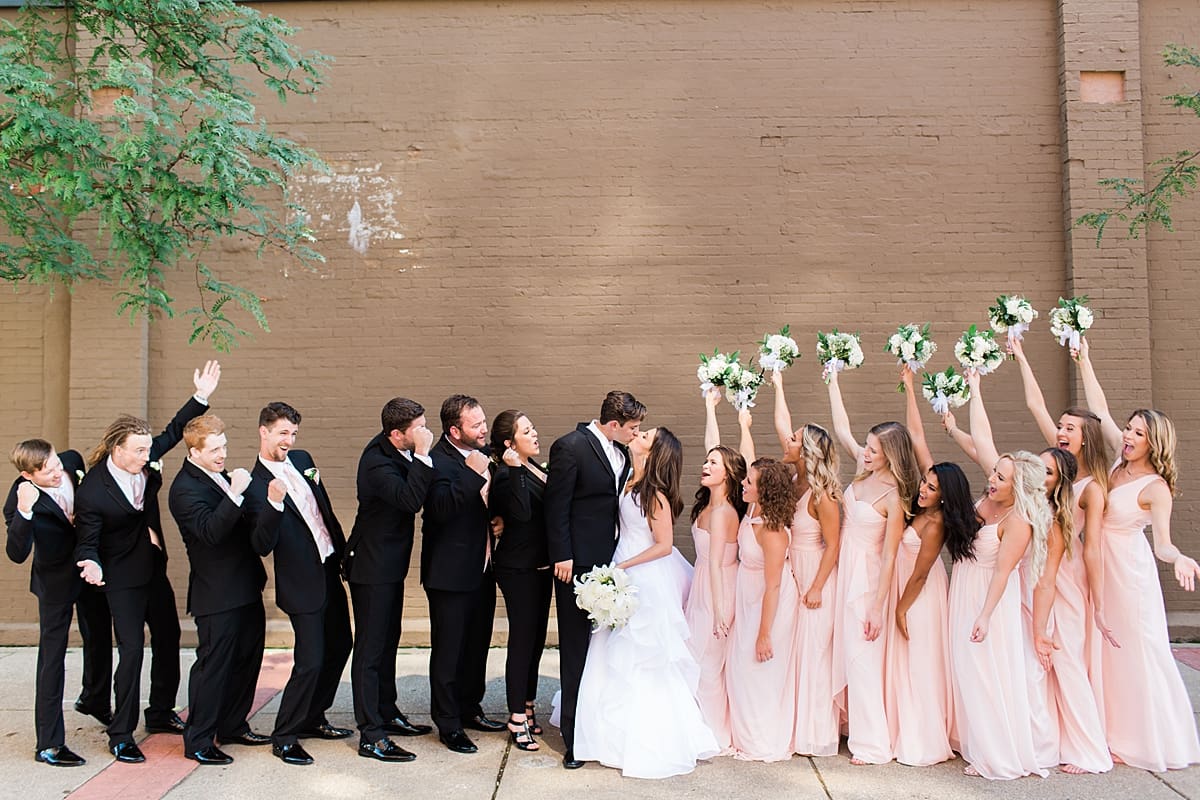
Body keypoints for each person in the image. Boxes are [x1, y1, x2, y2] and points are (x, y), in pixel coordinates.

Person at [74, 361, 221, 764]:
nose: (146, 455)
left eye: (146, 449)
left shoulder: (144, 457)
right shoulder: (92, 491)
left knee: (170, 636)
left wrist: (201, 396)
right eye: (138, 451)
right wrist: (90, 562)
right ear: (117, 449)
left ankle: (159, 712)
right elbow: (86, 540)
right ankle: (121, 733)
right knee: (133, 650)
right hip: (118, 575)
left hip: (152, 565)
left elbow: (174, 432)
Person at [1075, 338, 1200, 770]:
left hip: (1129, 573)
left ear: (1154, 442)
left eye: (1138, 433)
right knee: (1102, 650)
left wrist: (1178, 556)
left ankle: (1144, 739)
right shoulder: (1117, 463)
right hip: (1098, 563)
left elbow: (1162, 542)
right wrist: (1086, 359)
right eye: (1128, 429)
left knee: (1134, 651)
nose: (1127, 435)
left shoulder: (1156, 488)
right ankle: (1106, 732)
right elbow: (1101, 410)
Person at [572, 427, 720, 778]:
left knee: (641, 654)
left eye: (645, 435)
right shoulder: (625, 476)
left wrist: (620, 567)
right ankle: (600, 733)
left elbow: (664, 545)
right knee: (608, 648)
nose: (637, 434)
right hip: (620, 569)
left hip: (641, 575)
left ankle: (643, 736)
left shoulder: (654, 494)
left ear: (652, 453)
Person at [247, 402, 353, 766]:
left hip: (328, 568)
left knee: (341, 644)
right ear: (263, 431)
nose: (289, 440)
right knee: (310, 660)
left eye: (293, 433)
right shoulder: (256, 483)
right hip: (299, 582)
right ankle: (285, 735)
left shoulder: (303, 458)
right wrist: (274, 505)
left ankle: (312, 716)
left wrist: (343, 553)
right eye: (282, 433)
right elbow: (261, 545)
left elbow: (322, 509)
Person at [545, 390, 646, 770]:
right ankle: (574, 740)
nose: (637, 433)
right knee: (575, 650)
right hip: (576, 565)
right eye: (633, 427)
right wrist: (562, 555)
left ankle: (599, 726)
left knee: (602, 650)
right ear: (614, 423)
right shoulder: (570, 446)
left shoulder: (620, 453)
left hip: (611, 563)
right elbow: (557, 504)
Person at [826, 369, 919, 765]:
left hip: (866, 582)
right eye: (866, 446)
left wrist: (878, 606)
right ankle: (851, 728)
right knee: (846, 653)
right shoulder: (861, 476)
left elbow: (890, 555)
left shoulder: (894, 495)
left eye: (874, 449)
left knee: (863, 660)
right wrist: (831, 378)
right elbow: (842, 429)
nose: (865, 452)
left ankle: (872, 743)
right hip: (843, 571)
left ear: (890, 454)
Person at [167, 414, 269, 766]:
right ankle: (197, 739)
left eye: (224, 446)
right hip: (216, 593)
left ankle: (232, 725)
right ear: (193, 451)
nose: (222, 454)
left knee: (246, 660)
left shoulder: (221, 476)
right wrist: (237, 493)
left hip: (246, 584)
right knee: (213, 667)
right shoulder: (183, 489)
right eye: (214, 449)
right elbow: (210, 532)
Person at [949, 449, 1050, 779]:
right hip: (964, 588)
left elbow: (1003, 573)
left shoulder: (1018, 521)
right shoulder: (984, 501)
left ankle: (997, 754)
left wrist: (985, 615)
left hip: (988, 598)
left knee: (986, 675)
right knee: (966, 670)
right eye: (994, 472)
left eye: (1000, 478)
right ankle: (976, 744)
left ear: (1017, 486)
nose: (991, 480)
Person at [884, 367, 967, 766]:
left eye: (932, 488)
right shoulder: (924, 500)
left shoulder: (936, 522)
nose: (923, 488)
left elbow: (920, 572)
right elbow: (917, 437)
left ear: (944, 495)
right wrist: (912, 386)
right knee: (900, 660)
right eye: (924, 483)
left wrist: (900, 607)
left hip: (919, 594)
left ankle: (922, 737)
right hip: (904, 584)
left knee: (918, 660)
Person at [344, 398, 435, 763]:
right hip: (371, 568)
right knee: (369, 649)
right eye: (419, 429)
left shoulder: (395, 447)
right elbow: (410, 499)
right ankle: (371, 734)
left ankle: (387, 711)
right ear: (397, 434)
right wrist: (425, 454)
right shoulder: (376, 464)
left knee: (388, 640)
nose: (426, 433)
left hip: (390, 565)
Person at [5, 441, 104, 766]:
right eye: (47, 472)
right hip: (55, 583)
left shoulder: (71, 460)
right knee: (52, 659)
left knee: (100, 637)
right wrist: (24, 510)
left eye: (55, 463)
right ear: (27, 474)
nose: (57, 472)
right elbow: (17, 554)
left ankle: (94, 699)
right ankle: (48, 744)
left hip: (88, 568)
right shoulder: (19, 498)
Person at [421, 394, 503, 755]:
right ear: (455, 431)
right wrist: (471, 471)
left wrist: (494, 521)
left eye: (483, 421)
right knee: (449, 650)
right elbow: (440, 509)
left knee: (476, 645)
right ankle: (449, 723)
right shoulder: (437, 461)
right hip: (449, 574)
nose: (484, 428)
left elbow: (481, 505)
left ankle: (471, 708)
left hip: (483, 567)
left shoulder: (484, 456)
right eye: (476, 425)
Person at [766, 369, 840, 758]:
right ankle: (791, 726)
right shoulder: (795, 480)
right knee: (795, 652)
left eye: (795, 440)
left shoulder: (822, 495)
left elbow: (834, 545)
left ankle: (814, 732)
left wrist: (816, 587)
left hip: (815, 576)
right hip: (793, 572)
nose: (788, 440)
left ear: (806, 450)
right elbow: (782, 423)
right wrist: (777, 383)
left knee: (814, 654)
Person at [724, 450, 799, 761]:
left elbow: (774, 585)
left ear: (764, 490)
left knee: (759, 668)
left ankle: (761, 738)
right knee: (739, 667)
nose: (743, 483)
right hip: (748, 597)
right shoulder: (751, 509)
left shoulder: (772, 531)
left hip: (771, 604)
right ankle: (744, 735)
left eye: (750, 481)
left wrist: (764, 632)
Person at [683, 389, 746, 752]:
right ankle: (697, 729)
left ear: (728, 476)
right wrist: (708, 407)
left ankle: (713, 735)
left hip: (718, 593)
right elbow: (715, 444)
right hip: (704, 587)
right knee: (696, 662)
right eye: (706, 462)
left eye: (714, 464)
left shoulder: (724, 514)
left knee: (708, 666)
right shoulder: (710, 503)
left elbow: (722, 568)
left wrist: (721, 614)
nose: (706, 466)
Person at [488, 410, 552, 752]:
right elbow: (523, 513)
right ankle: (516, 716)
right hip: (518, 569)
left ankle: (527, 703)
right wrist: (512, 469)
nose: (535, 434)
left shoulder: (536, 468)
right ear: (510, 444)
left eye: (533, 427)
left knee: (537, 639)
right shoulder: (505, 474)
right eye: (527, 431)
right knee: (523, 641)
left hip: (540, 567)